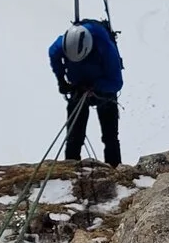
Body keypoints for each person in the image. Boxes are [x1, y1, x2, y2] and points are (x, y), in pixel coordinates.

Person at [48, 20, 123, 167]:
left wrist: (95, 86)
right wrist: (60, 79)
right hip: (78, 86)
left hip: (102, 91)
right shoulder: (64, 44)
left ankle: (115, 170)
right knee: (74, 137)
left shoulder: (105, 48)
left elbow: (116, 83)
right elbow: (53, 53)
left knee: (110, 137)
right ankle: (70, 172)